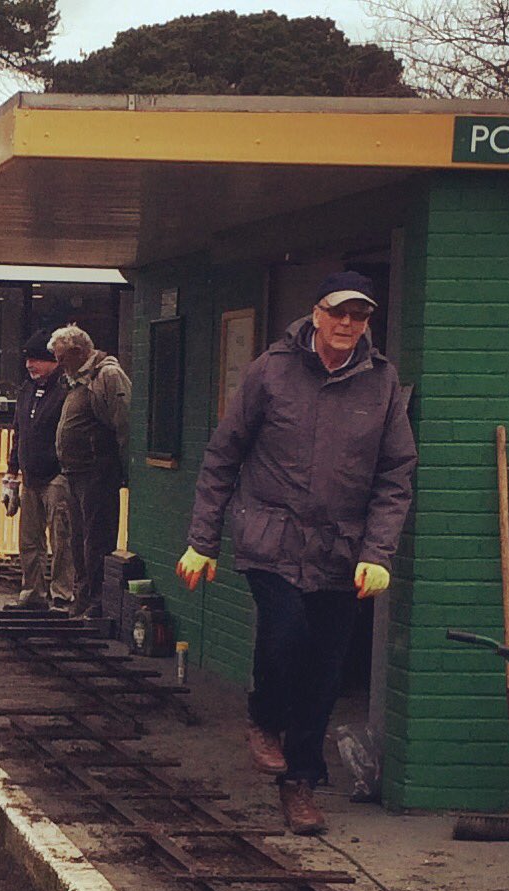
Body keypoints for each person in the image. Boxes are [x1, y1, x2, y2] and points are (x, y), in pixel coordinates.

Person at [176, 271, 417, 835]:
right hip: (272, 540)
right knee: (287, 637)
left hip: (342, 551)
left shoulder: (380, 383)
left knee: (326, 671)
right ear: (316, 314)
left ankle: (300, 784)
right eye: (339, 313)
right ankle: (263, 717)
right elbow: (222, 456)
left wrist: (379, 552)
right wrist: (201, 541)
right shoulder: (271, 372)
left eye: (359, 317)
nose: (348, 325)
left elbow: (396, 473)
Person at [50, 324, 131, 616]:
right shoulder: (78, 379)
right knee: (78, 538)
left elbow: (124, 424)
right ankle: (83, 598)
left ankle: (95, 602)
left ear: (78, 351)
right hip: (76, 471)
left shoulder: (107, 375)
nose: (59, 365)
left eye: (62, 358)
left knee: (96, 539)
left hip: (97, 471)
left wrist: (125, 468)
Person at [5, 330, 76, 611]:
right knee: (29, 539)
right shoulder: (26, 391)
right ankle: (32, 590)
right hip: (30, 476)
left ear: (52, 360)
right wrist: (12, 470)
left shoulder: (65, 390)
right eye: (27, 360)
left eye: (35, 359)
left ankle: (62, 592)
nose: (29, 365)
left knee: (61, 537)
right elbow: (18, 432)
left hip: (56, 475)